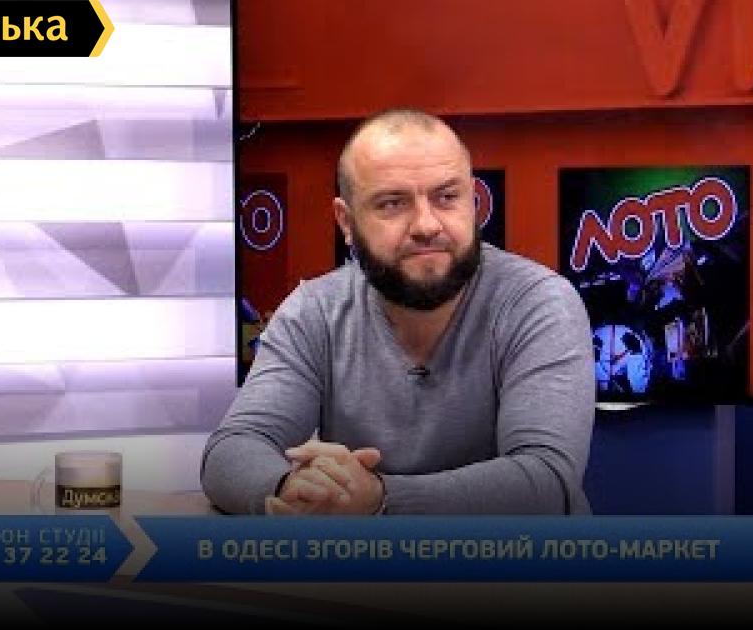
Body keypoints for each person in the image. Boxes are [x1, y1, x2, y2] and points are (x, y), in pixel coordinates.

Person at [201, 108, 596, 515]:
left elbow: (547, 482)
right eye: (392, 203)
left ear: (473, 202)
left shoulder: (539, 304)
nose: (426, 225)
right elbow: (234, 447)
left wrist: (379, 499)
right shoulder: (314, 311)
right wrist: (293, 490)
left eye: (447, 197)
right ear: (346, 221)